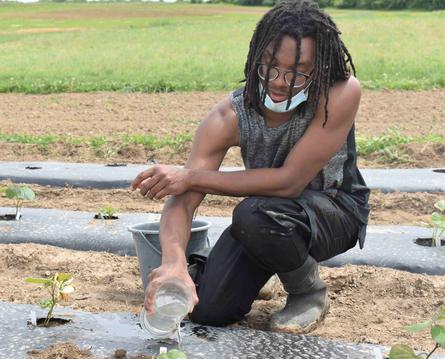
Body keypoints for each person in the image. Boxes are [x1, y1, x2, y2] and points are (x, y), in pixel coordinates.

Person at [130, 0, 370, 334]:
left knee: (255, 214)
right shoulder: (229, 116)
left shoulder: (338, 94)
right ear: (257, 55)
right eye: (271, 66)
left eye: (298, 72)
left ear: (321, 68)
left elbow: (289, 183)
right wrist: (173, 261)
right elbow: (184, 199)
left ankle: (308, 292)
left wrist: (191, 177)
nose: (281, 81)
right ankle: (263, 265)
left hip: (333, 211)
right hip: (266, 217)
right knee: (208, 311)